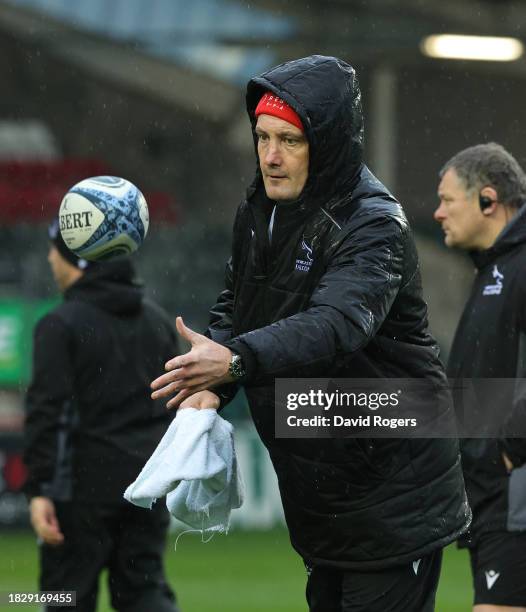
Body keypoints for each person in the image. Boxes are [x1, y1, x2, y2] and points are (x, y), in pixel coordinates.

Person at [152, 55, 471, 612]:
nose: (270, 157)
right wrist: (213, 385)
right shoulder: (259, 210)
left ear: (325, 144)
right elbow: (237, 305)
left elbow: (336, 325)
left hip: (392, 495)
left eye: (290, 141)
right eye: (262, 138)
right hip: (325, 501)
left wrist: (234, 361)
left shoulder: (374, 225)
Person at [24, 219, 180, 612]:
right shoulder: (159, 320)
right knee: (146, 594)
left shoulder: (58, 325)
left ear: (75, 257)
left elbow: (48, 412)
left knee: (65, 598)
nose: (49, 259)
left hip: (80, 491)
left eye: (54, 250)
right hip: (146, 487)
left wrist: (41, 488)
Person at [434, 142, 526, 612]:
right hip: (493, 494)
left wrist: (511, 446)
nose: (437, 213)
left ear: (488, 201)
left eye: (448, 200)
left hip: (514, 493)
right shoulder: (496, 269)